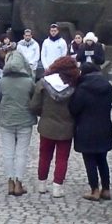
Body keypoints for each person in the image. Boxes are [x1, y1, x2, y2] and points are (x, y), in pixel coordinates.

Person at [30, 55, 80, 198]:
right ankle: (57, 187)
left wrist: (44, 114)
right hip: (66, 127)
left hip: (47, 125)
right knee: (62, 158)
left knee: (44, 156)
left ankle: (42, 184)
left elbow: (34, 105)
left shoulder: (43, 83)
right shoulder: (74, 86)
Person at [69, 62, 112, 201]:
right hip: (104, 126)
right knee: (102, 159)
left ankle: (94, 189)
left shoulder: (82, 88)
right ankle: (106, 189)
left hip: (86, 128)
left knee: (89, 160)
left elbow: (74, 108)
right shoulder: (107, 86)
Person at [0, 49, 36, 197]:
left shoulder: (2, 81)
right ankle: (19, 183)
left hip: (6, 119)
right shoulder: (29, 82)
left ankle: (10, 182)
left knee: (8, 153)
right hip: (25, 119)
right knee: (21, 153)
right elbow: (34, 98)